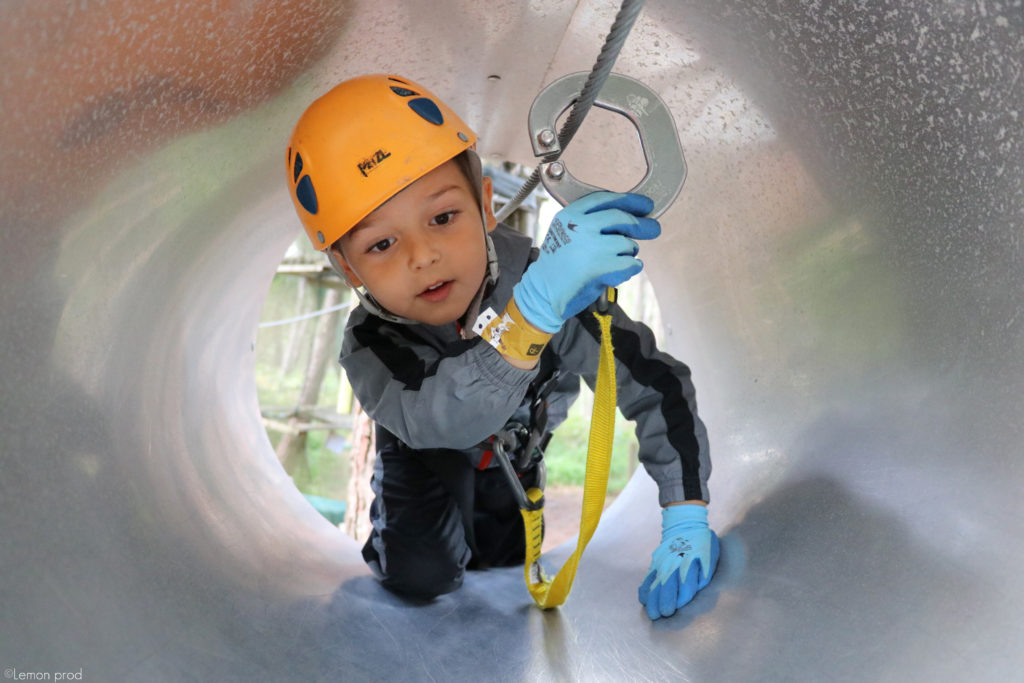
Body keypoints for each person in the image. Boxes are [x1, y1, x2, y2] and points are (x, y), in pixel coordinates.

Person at [285, 73, 718, 620]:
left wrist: (685, 516)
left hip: (518, 445)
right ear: (349, 268)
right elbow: (437, 421)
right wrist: (530, 317)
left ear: (487, 207)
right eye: (382, 243)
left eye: (443, 218)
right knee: (422, 574)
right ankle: (403, 542)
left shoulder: (545, 282)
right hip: (427, 453)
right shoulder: (373, 340)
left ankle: (500, 516)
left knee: (504, 560)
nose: (423, 256)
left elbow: (652, 383)